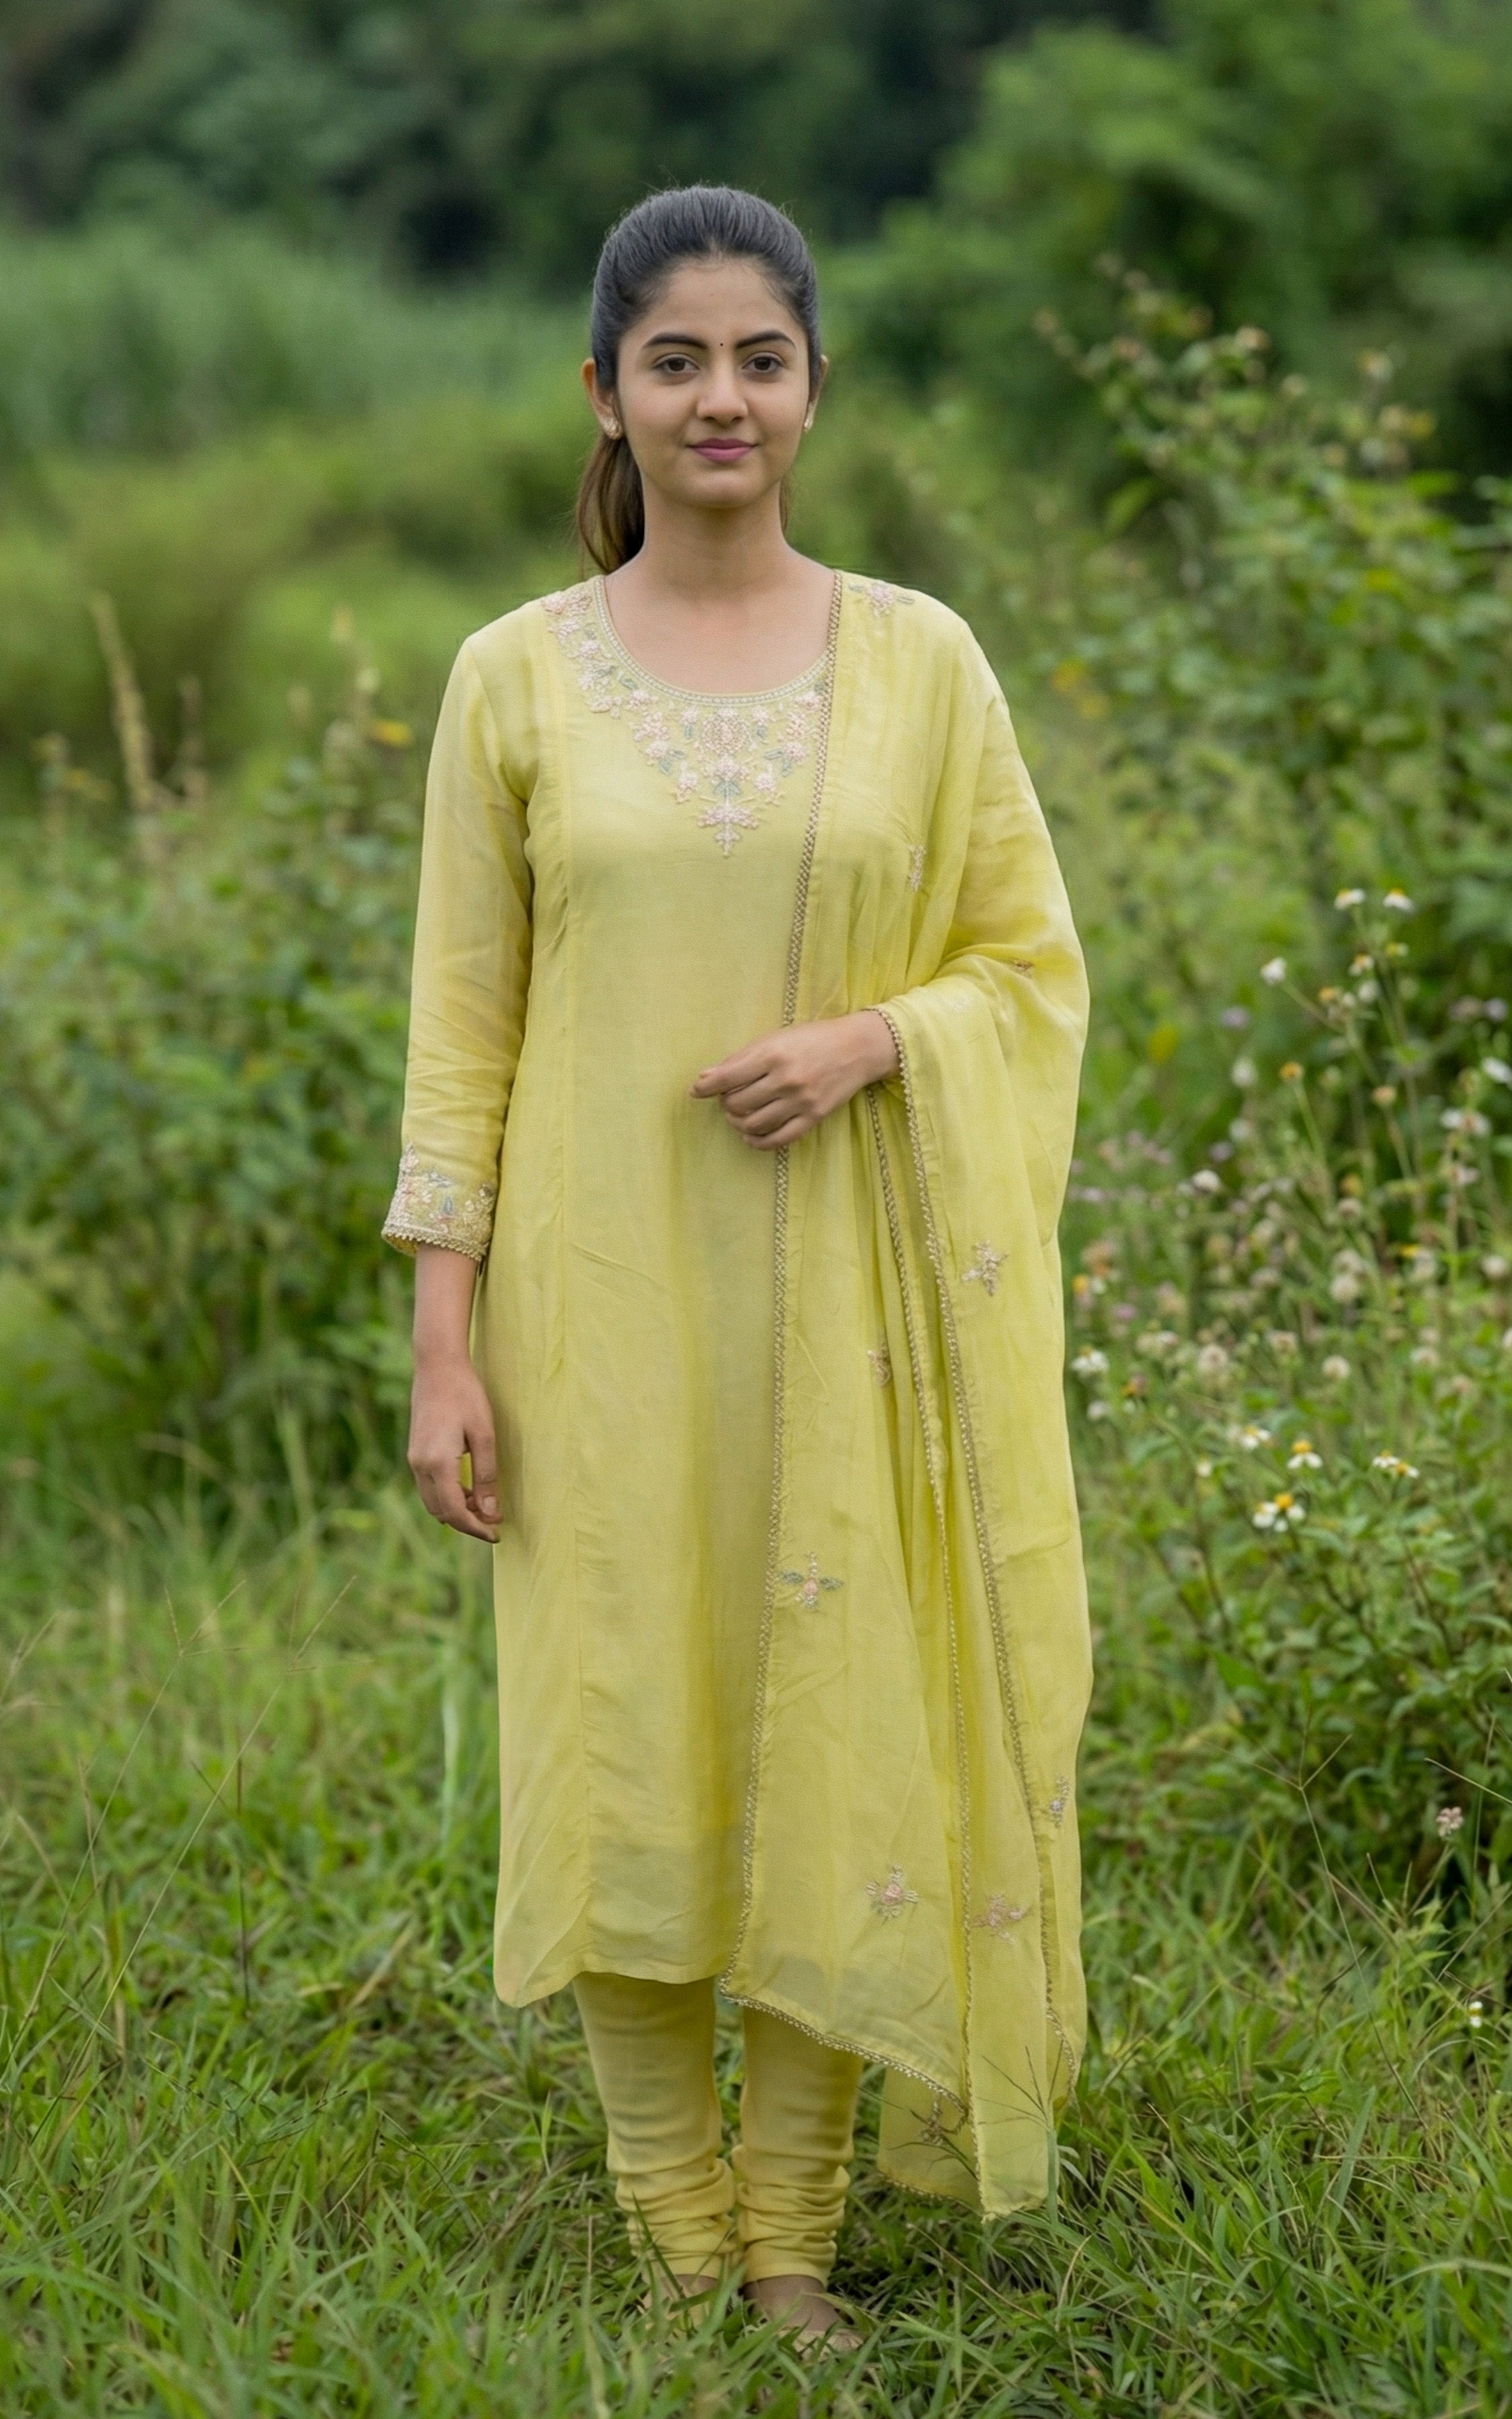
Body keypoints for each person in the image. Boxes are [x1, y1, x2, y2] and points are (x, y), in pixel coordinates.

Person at [384, 184, 1091, 2351]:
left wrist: (878, 1037)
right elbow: (462, 1023)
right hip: (595, 1308)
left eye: (758, 359)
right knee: (628, 1734)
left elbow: (1026, 964)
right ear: (603, 389)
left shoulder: (920, 661)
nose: (721, 397)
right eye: (674, 360)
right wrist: (444, 1338)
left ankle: (789, 2243)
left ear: (810, 388)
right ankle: (674, 2234)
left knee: (827, 1727)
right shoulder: (515, 676)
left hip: (852, 1302)